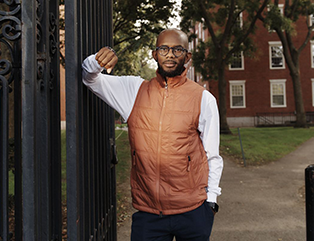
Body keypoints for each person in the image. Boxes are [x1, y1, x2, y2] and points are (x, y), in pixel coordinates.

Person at [82, 28, 223, 241]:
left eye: (177, 50)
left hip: (193, 211)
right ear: (154, 54)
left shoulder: (203, 98)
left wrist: (210, 202)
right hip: (149, 214)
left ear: (188, 56)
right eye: (164, 49)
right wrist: (98, 60)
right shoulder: (133, 91)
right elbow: (90, 79)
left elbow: (212, 155)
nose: (170, 54)